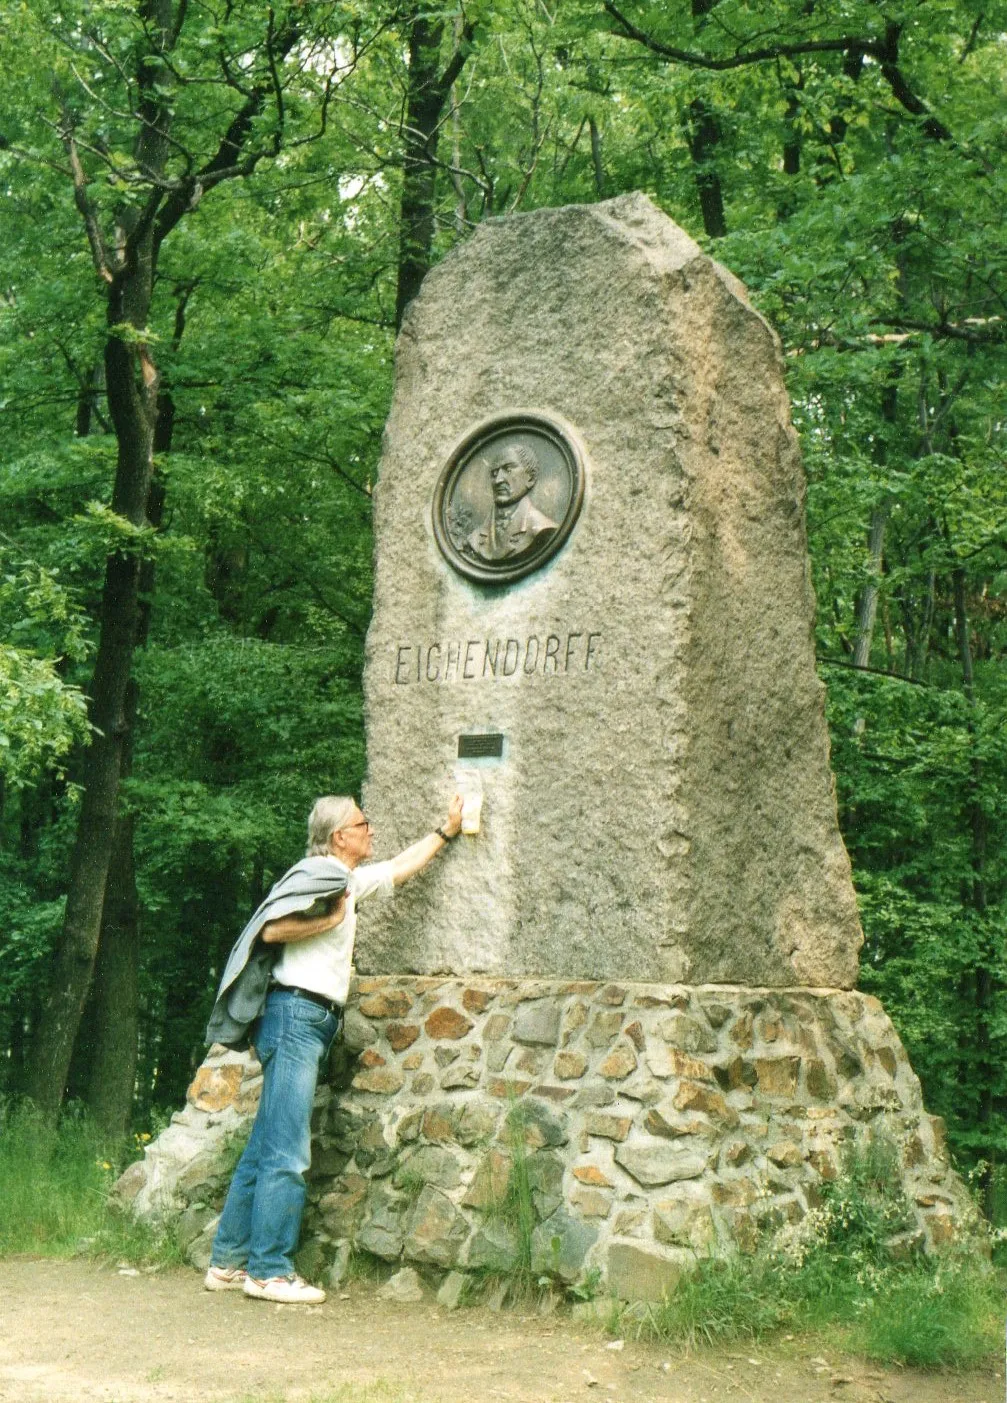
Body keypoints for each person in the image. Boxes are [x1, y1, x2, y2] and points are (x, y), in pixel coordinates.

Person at [203, 793, 464, 1304]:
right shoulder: (317, 872)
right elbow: (272, 928)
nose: (370, 830)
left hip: (303, 1020)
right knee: (288, 1149)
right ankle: (270, 1272)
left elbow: (397, 869)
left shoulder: (340, 877)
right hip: (296, 1016)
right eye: (363, 823)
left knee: (265, 1146)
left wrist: (446, 831)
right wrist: (326, 921)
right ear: (339, 835)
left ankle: (227, 1264)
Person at [464, 442, 557, 563]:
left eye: (508, 470)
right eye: (494, 473)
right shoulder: (475, 538)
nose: (498, 480)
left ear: (530, 478)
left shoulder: (542, 528)